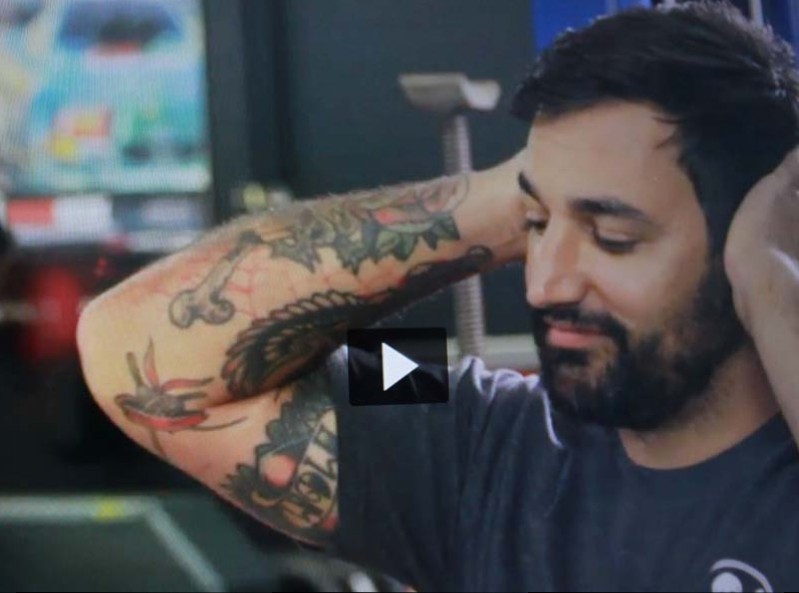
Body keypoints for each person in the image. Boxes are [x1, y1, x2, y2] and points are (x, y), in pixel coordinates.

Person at [77, 2, 799, 591]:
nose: (545, 283)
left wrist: (773, 282)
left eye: (612, 236)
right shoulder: (485, 429)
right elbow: (130, 344)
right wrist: (503, 197)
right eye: (537, 226)